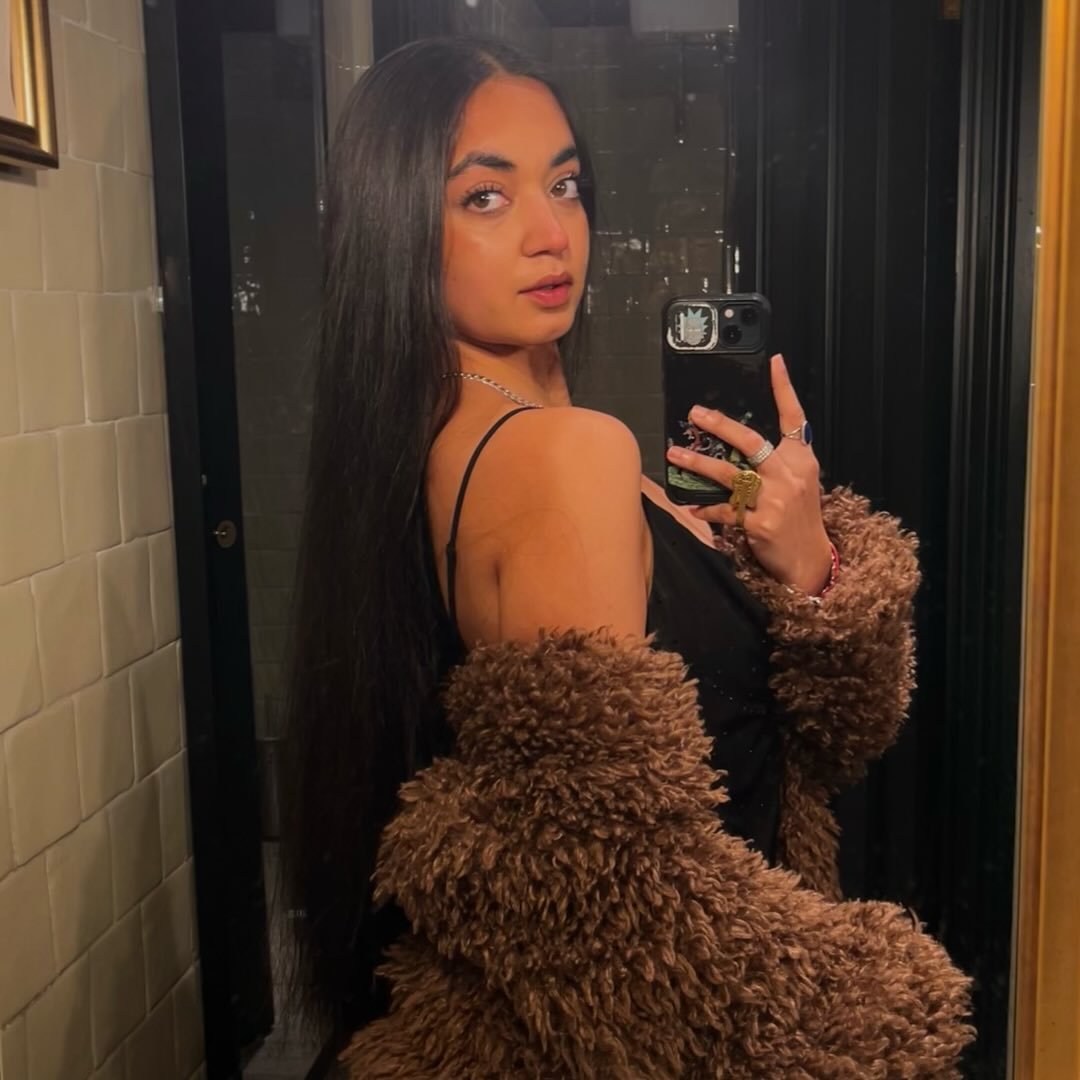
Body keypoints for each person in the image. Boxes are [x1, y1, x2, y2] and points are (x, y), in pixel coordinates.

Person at [278, 35, 974, 1078]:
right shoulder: (561, 456)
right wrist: (879, 1010)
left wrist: (810, 571)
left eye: (565, 184)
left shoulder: (441, 436)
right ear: (397, 224)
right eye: (485, 197)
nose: (551, 232)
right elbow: (613, 912)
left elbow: (795, 744)